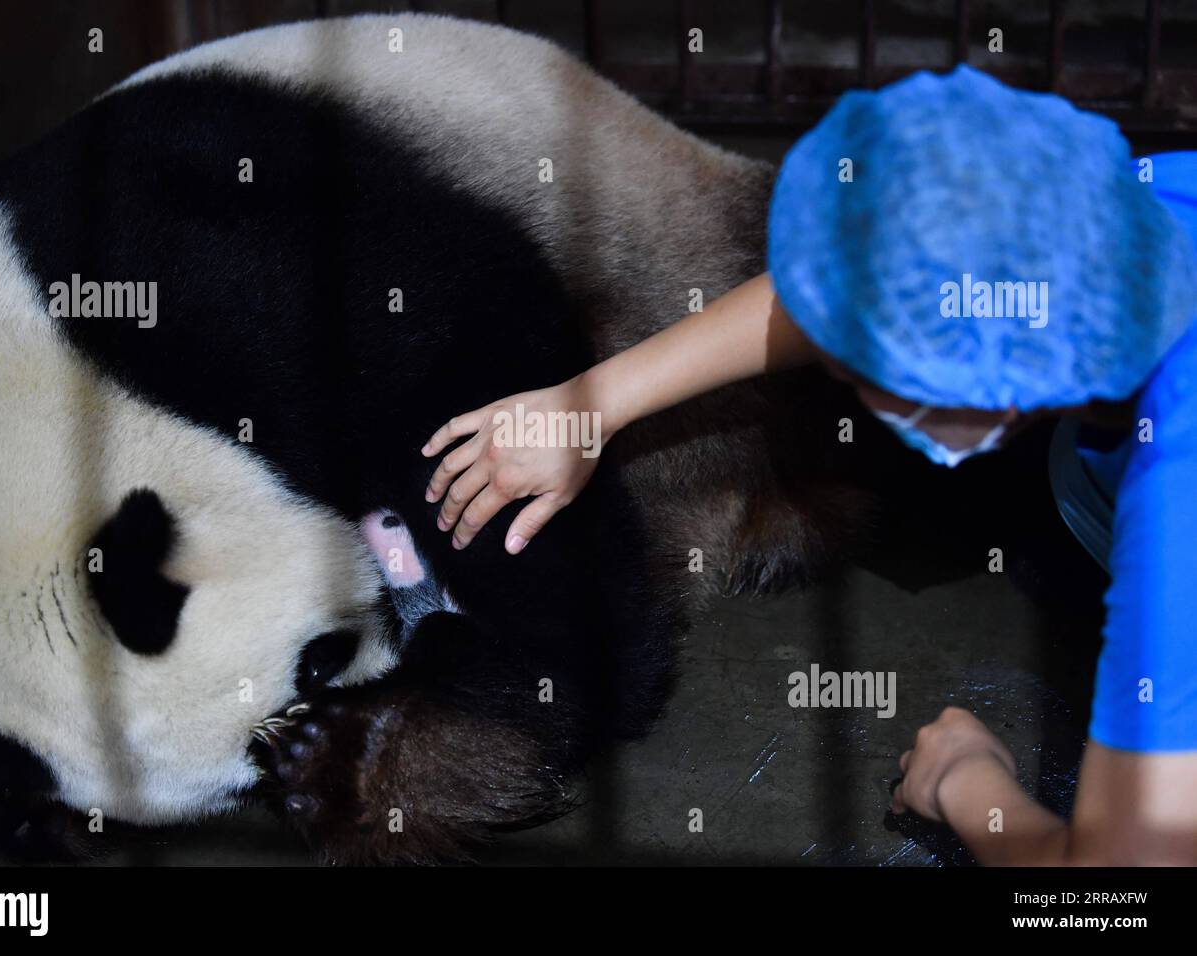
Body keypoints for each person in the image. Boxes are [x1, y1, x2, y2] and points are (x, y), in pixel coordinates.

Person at [420, 66, 1197, 865]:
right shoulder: (1135, 216)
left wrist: (966, 784)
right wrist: (590, 403)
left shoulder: (1177, 517)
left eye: (870, 375)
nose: (835, 371)